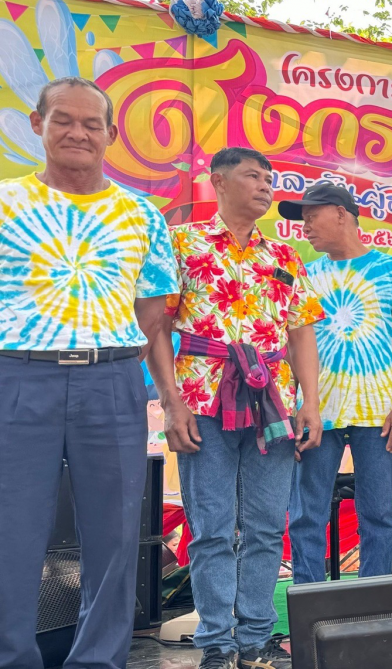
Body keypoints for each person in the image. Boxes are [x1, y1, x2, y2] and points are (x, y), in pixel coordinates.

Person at [0, 77, 178, 669]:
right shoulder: (5, 203)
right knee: (12, 533)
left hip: (112, 381)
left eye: (91, 123)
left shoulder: (142, 213)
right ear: (37, 124)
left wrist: (154, 387)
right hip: (18, 380)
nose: (77, 132)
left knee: (116, 535)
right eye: (63, 120)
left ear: (110, 133)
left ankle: (98, 661)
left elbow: (152, 315)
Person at [146, 147, 325, 669]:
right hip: (202, 399)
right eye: (253, 176)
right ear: (218, 182)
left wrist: (309, 402)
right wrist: (171, 402)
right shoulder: (183, 242)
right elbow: (157, 327)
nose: (266, 186)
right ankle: (218, 643)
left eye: (270, 178)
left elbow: (301, 333)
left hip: (272, 404)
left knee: (269, 525)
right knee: (213, 527)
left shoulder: (284, 257)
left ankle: (255, 638)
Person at [284, 184, 392, 584]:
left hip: (378, 414)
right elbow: (292, 345)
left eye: (312, 216)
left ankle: (375, 606)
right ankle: (309, 605)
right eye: (302, 220)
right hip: (317, 412)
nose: (305, 227)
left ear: (342, 214)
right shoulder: (305, 275)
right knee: (306, 514)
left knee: (379, 514)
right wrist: (294, 406)